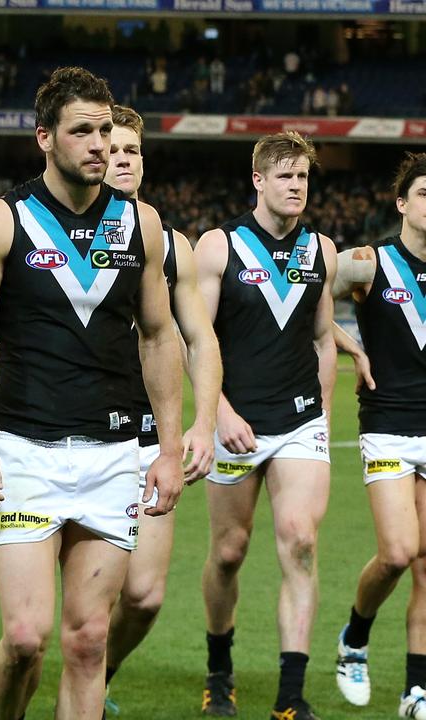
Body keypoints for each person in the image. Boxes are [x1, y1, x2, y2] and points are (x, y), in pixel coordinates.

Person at [0, 67, 185, 720]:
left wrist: (166, 449)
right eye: (83, 130)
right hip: (25, 452)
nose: (100, 144)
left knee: (87, 639)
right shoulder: (5, 221)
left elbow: (161, 337)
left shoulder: (142, 224)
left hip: (112, 456)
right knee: (25, 638)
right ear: (45, 137)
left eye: (106, 130)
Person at [195, 131, 336, 720]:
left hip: (300, 422)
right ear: (258, 180)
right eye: (285, 176)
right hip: (237, 422)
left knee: (301, 540)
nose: (296, 186)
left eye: (302, 176)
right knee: (229, 552)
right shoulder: (219, 247)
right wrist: (218, 411)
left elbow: (325, 337)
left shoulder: (323, 249)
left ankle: (290, 695)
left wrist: (323, 411)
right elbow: (194, 339)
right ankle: (219, 670)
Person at [100, 105, 221, 709]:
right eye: (112, 148)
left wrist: (203, 421)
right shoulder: (50, 231)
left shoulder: (173, 247)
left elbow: (200, 338)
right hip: (74, 431)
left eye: (132, 151)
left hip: (150, 438)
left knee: (144, 596)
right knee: (72, 611)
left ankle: (99, 674)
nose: (121, 159)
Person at [327, 152, 426, 718]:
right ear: (401, 203)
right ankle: (355, 638)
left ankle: (416, 689)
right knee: (396, 553)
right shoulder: (370, 263)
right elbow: (307, 299)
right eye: (423, 193)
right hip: (388, 422)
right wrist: (349, 344)